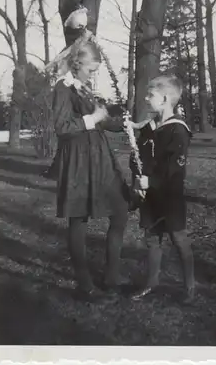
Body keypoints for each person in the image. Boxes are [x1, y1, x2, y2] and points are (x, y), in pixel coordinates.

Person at [51, 22, 130, 302]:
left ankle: (111, 276)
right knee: (79, 218)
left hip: (99, 156)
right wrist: (93, 119)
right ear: (76, 64)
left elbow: (101, 120)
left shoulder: (83, 88)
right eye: (91, 69)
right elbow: (62, 127)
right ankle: (85, 285)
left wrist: (122, 124)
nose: (93, 74)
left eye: (96, 70)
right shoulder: (63, 87)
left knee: (120, 211)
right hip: (78, 160)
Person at [127, 74, 196, 302]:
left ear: (165, 98)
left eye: (151, 95)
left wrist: (152, 181)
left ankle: (189, 287)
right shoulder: (150, 127)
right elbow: (138, 157)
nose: (146, 99)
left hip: (170, 197)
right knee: (152, 238)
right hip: (150, 196)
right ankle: (152, 282)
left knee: (178, 238)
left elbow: (174, 168)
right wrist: (138, 177)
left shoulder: (178, 130)